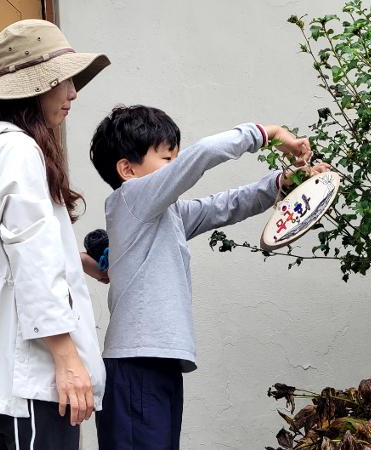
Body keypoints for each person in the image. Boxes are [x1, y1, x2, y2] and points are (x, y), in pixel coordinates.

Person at [88, 105, 330, 449]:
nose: (176, 167)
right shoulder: (131, 199)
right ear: (128, 170)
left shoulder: (165, 214)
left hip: (158, 362)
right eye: (167, 159)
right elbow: (201, 155)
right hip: (136, 364)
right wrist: (270, 133)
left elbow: (224, 205)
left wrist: (282, 182)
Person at [0, 19, 110, 450]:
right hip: (32, 372)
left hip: (10, 365)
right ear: (32, 88)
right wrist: (67, 358)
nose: (74, 92)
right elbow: (31, 261)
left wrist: (77, 260)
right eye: (64, 80)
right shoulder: (18, 150)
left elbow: (20, 250)